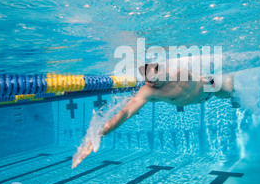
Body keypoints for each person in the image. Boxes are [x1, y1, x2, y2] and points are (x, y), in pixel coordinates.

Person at [71, 63, 235, 169]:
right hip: (199, 99)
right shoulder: (149, 91)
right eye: (147, 80)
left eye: (154, 79)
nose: (151, 84)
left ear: (163, 71)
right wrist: (97, 135)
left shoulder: (181, 72)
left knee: (229, 93)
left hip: (210, 87)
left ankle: (233, 81)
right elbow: (125, 112)